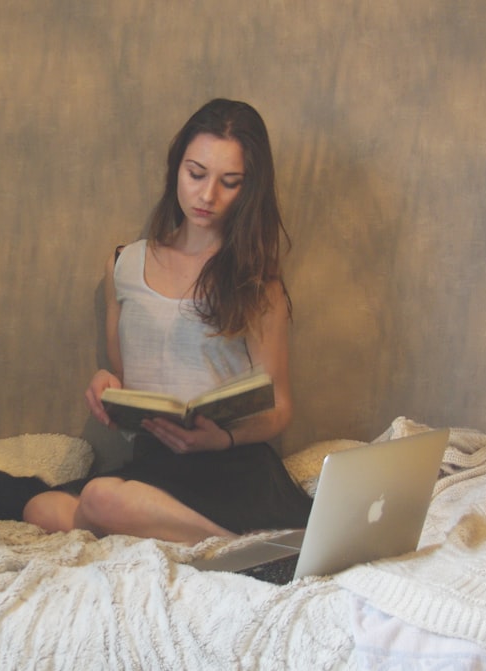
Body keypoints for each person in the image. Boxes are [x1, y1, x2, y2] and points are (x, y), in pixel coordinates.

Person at [23, 99, 312, 543]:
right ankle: (229, 541)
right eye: (196, 174)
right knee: (39, 507)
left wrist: (222, 440)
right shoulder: (124, 264)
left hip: (230, 468)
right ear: (176, 167)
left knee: (100, 500)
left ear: (248, 189)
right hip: (156, 466)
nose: (207, 196)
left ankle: (254, 548)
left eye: (229, 182)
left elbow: (281, 407)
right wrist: (106, 384)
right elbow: (126, 384)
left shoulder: (256, 279)